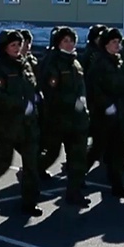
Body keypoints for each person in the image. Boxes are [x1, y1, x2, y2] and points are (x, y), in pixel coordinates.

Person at [0, 29, 43, 216]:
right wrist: (20, 104)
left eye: (19, 44)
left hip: (27, 125)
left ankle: (30, 202)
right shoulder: (0, 68)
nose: (17, 48)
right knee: (2, 162)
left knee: (31, 163)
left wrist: (35, 96)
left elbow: (31, 85)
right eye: (13, 45)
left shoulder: (24, 65)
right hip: (7, 125)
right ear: (4, 48)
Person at [37, 26, 91, 207]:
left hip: (77, 119)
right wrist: (72, 100)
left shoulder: (74, 61)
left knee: (77, 156)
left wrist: (82, 98)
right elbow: (51, 92)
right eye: (65, 41)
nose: (69, 44)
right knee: (51, 154)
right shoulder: (53, 62)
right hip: (59, 118)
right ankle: (32, 174)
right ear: (58, 43)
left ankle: (73, 193)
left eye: (71, 41)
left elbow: (81, 83)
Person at [86, 27, 124, 198]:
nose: (117, 45)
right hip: (103, 115)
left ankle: (117, 186)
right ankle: (77, 177)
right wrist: (106, 105)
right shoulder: (99, 63)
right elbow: (94, 88)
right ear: (105, 44)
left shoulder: (119, 62)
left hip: (120, 113)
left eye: (118, 42)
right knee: (97, 149)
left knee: (118, 150)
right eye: (113, 42)